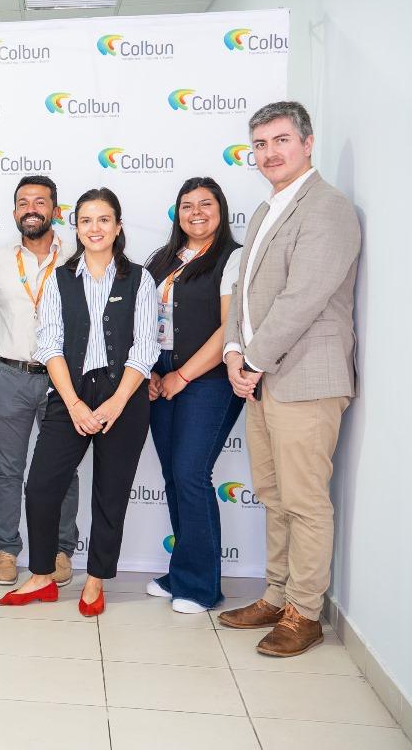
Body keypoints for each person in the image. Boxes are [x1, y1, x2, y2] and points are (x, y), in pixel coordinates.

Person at [217, 101, 360, 657]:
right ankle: (276, 596)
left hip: (305, 378)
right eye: (260, 144)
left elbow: (303, 299)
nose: (269, 153)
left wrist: (252, 361)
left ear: (307, 142)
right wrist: (234, 350)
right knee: (273, 496)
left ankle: (305, 611)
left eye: (280, 140)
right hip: (263, 376)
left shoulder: (327, 208)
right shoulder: (264, 210)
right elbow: (245, 293)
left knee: (304, 501)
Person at [0, 188, 158, 616]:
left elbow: (145, 349)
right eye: (86, 220)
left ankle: (96, 580)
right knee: (42, 487)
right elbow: (49, 344)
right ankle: (42, 576)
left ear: (118, 226)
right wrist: (73, 404)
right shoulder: (60, 278)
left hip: (124, 395)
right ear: (76, 227)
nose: (95, 228)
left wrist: (115, 404)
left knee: (111, 493)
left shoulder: (140, 279)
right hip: (70, 394)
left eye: (104, 219)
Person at [144, 178, 244, 614]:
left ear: (221, 210)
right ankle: (182, 569)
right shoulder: (162, 260)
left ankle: (201, 586)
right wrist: (147, 371)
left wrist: (181, 376)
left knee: (189, 473)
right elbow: (142, 321)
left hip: (209, 379)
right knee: (172, 475)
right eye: (187, 205)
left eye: (206, 204)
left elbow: (229, 329)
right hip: (160, 376)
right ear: (177, 213)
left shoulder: (233, 258)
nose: (197, 212)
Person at [0, 176, 77, 588]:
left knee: (62, 470)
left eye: (40, 201)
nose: (31, 208)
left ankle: (59, 549)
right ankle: (6, 549)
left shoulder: (77, 254)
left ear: (56, 209)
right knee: (8, 469)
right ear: (15, 211)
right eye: (23, 202)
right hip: (10, 377)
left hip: (62, 381)